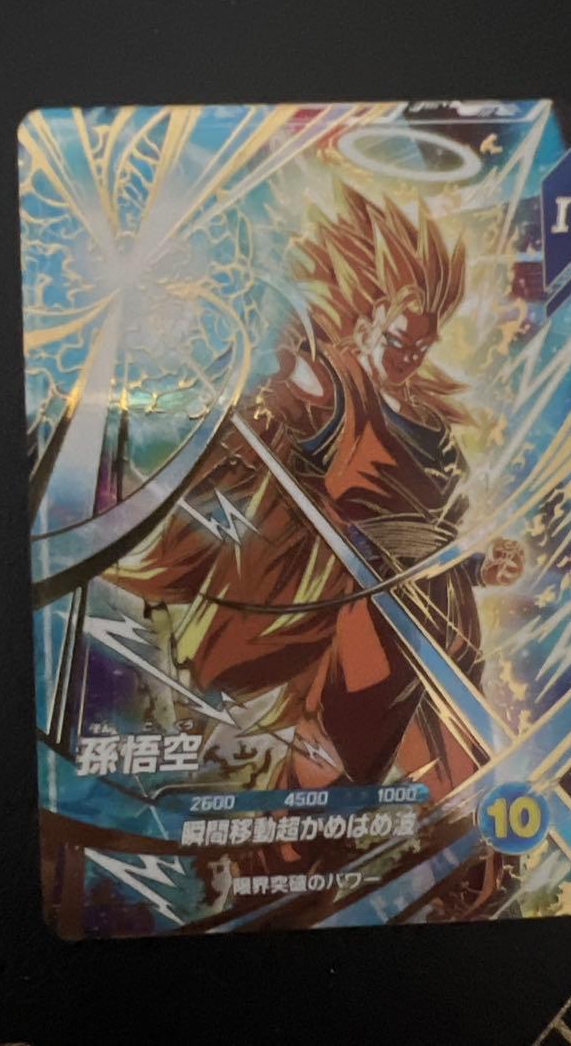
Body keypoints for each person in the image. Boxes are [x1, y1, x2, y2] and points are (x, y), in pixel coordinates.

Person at [110, 182, 523, 807]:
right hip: (376, 609)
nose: (408, 357)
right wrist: (204, 305)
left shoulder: (433, 429)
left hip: (447, 613)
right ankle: (279, 855)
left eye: (420, 348)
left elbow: (432, 533)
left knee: (465, 784)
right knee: (337, 771)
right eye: (398, 341)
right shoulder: (339, 388)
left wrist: (481, 567)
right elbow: (276, 364)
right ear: (372, 322)